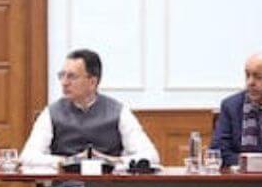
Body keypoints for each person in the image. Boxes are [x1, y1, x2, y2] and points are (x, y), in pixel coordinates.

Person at [19, 48, 159, 167]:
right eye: (62, 75)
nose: (64, 82)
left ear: (92, 82)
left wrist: (112, 161)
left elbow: (151, 156)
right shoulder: (51, 112)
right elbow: (27, 157)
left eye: (72, 77)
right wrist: (68, 161)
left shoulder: (119, 112)